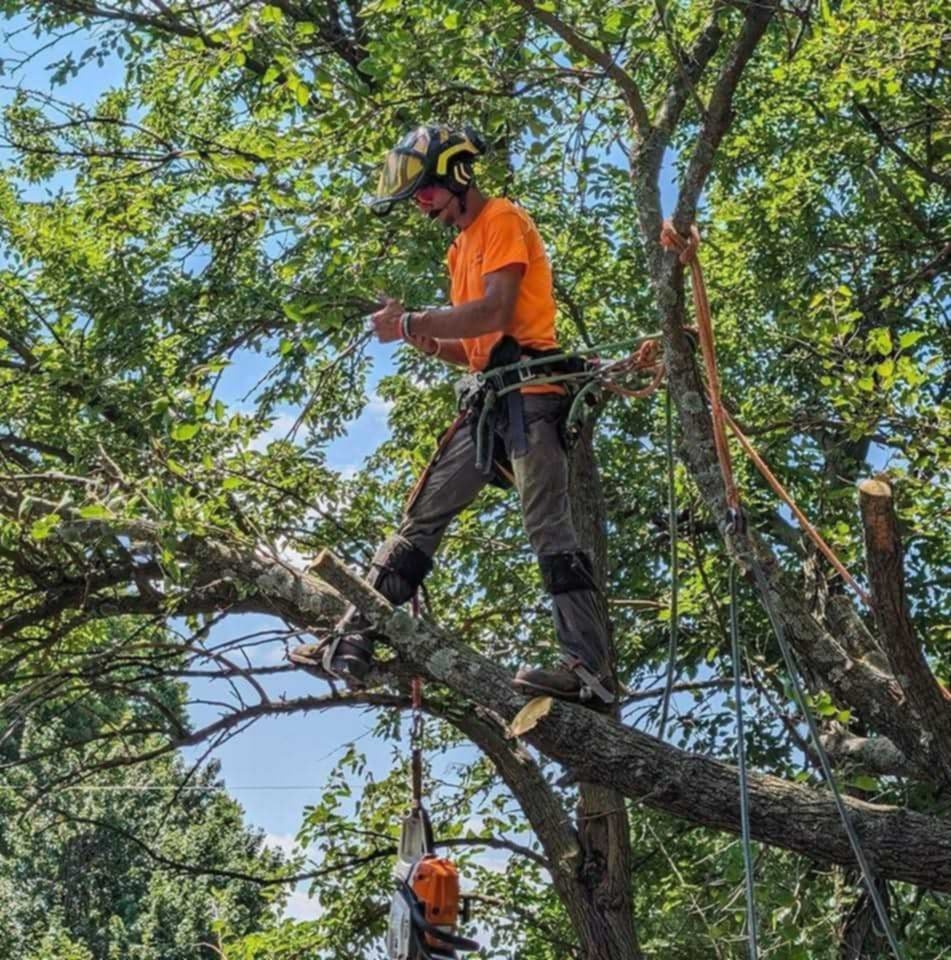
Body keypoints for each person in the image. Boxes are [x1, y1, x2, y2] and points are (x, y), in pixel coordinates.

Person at [292, 125, 614, 706]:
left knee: (547, 525)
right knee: (422, 515)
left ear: (457, 176)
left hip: (533, 392)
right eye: (414, 196)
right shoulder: (459, 248)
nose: (421, 205)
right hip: (490, 398)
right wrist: (411, 335)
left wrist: (414, 322)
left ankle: (591, 671)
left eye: (425, 192)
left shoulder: (503, 221)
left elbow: (495, 309)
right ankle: (355, 633)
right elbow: (471, 344)